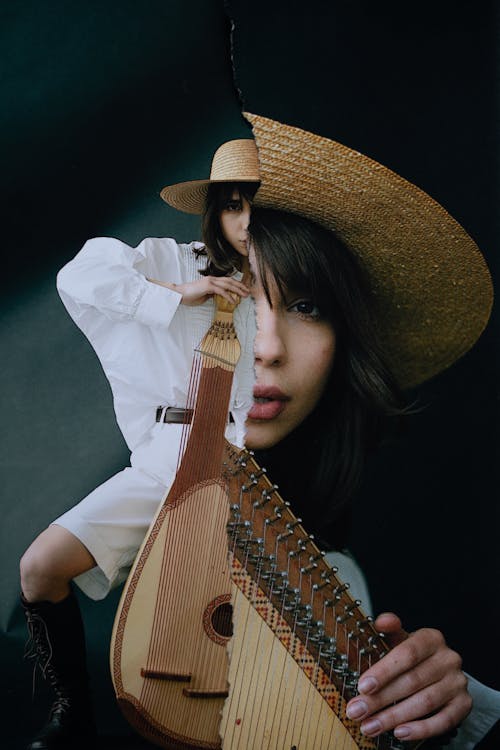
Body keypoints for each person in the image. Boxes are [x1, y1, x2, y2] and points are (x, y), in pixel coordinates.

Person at [240, 112, 500, 748]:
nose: (268, 347)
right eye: (237, 299)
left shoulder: (334, 576)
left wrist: (434, 709)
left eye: (307, 307)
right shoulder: (93, 542)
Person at [19, 137, 260, 750]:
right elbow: (83, 274)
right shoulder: (167, 261)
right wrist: (179, 296)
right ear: (216, 211)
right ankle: (71, 713)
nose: (247, 222)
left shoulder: (293, 285)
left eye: (259, 207)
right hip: (167, 456)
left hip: (256, 465)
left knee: (234, 621)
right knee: (41, 566)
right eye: (234, 206)